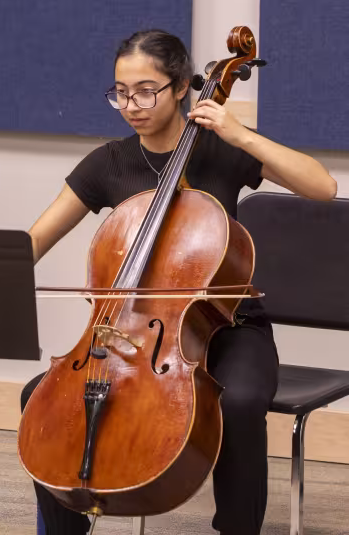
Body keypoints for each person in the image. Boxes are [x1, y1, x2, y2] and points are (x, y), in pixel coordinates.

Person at [21, 29, 337, 535]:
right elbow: (34, 241)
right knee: (41, 399)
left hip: (231, 327)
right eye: (121, 92)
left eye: (146, 90)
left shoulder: (221, 150)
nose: (132, 105)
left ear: (180, 88)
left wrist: (241, 134)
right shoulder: (110, 162)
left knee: (238, 402)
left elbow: (322, 187)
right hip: (127, 336)